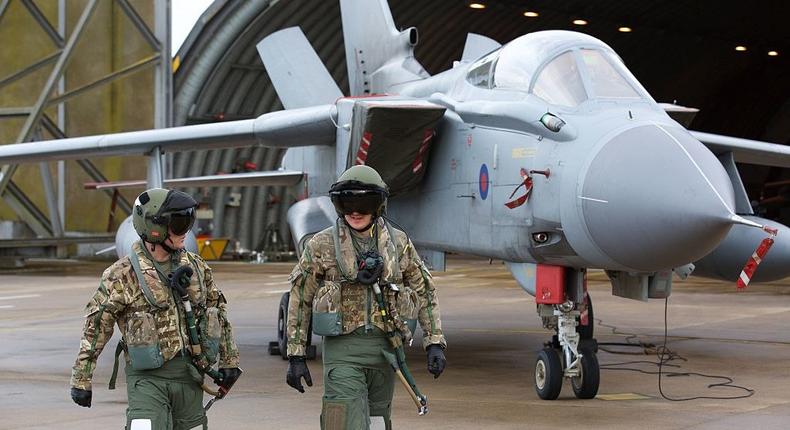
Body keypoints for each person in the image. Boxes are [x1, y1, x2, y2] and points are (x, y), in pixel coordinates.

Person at [285, 165, 447, 429]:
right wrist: (296, 355)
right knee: (345, 420)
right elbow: (300, 297)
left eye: (364, 202)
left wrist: (435, 342)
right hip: (344, 351)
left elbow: (424, 290)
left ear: (378, 205)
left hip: (386, 351)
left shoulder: (398, 243)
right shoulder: (322, 245)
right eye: (348, 203)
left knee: (377, 421)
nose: (356, 211)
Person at [69, 188, 241, 430]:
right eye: (179, 223)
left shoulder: (197, 268)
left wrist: (230, 362)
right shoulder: (121, 276)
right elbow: (96, 327)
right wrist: (81, 379)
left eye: (188, 221)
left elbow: (217, 312)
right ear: (154, 227)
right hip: (147, 380)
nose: (186, 231)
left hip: (190, 377)